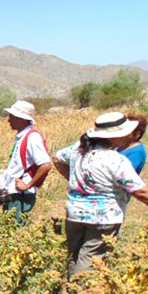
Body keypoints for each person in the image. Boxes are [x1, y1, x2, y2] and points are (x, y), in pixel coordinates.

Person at [53, 112, 148, 277]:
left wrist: (78, 182)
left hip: (74, 214)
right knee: (89, 264)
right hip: (103, 219)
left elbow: (57, 158)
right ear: (114, 137)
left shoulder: (78, 149)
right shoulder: (115, 159)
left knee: (74, 258)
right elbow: (139, 190)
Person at [1, 100, 52, 223]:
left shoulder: (32, 137)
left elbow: (46, 165)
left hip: (21, 195)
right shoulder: (23, 136)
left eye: (12, 117)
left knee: (15, 232)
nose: (9, 120)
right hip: (15, 193)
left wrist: (27, 185)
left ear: (22, 119)